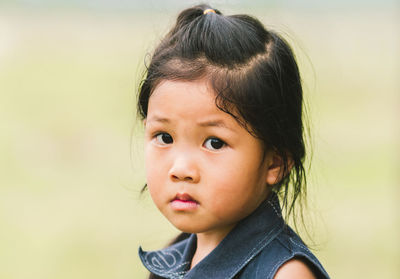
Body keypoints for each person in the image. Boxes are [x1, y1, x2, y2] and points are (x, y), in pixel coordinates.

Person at [137, 4, 329, 279]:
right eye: (164, 137)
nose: (181, 169)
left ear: (275, 162)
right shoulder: (175, 260)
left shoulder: (285, 274)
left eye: (214, 143)